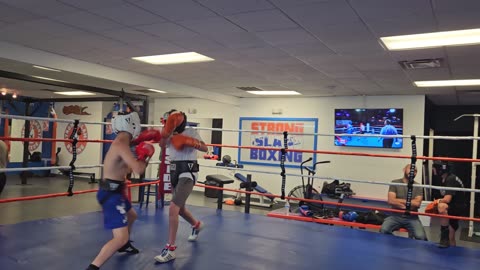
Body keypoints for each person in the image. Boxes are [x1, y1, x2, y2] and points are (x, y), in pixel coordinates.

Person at [86, 112, 155, 270]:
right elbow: (138, 169)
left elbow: (128, 167)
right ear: (133, 125)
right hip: (111, 194)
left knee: (132, 215)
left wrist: (140, 149)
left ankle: (124, 245)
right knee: (120, 238)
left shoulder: (123, 142)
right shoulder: (121, 145)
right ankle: (93, 267)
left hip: (116, 190)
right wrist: (146, 156)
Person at [154, 109, 208, 263]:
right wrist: (167, 133)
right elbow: (162, 145)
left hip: (188, 172)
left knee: (173, 208)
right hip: (174, 170)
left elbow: (205, 148)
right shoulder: (167, 132)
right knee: (180, 208)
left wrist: (190, 141)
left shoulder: (190, 131)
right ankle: (196, 225)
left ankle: (170, 249)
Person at [380, 164, 427, 241]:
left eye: (415, 171)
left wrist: (398, 200)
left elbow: (417, 204)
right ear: (404, 170)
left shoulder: (418, 186)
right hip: (395, 216)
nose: (412, 172)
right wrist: (408, 205)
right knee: (384, 230)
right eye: (410, 169)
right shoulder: (395, 183)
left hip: (412, 217)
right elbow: (391, 200)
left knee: (421, 237)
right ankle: (398, 243)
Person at [426, 161, 466, 248]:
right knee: (451, 237)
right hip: (454, 206)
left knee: (441, 206)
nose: (433, 170)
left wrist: (436, 202)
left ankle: (444, 236)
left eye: (434, 168)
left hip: (456, 208)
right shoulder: (445, 178)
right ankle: (447, 243)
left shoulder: (450, 179)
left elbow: (447, 199)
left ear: (440, 169)